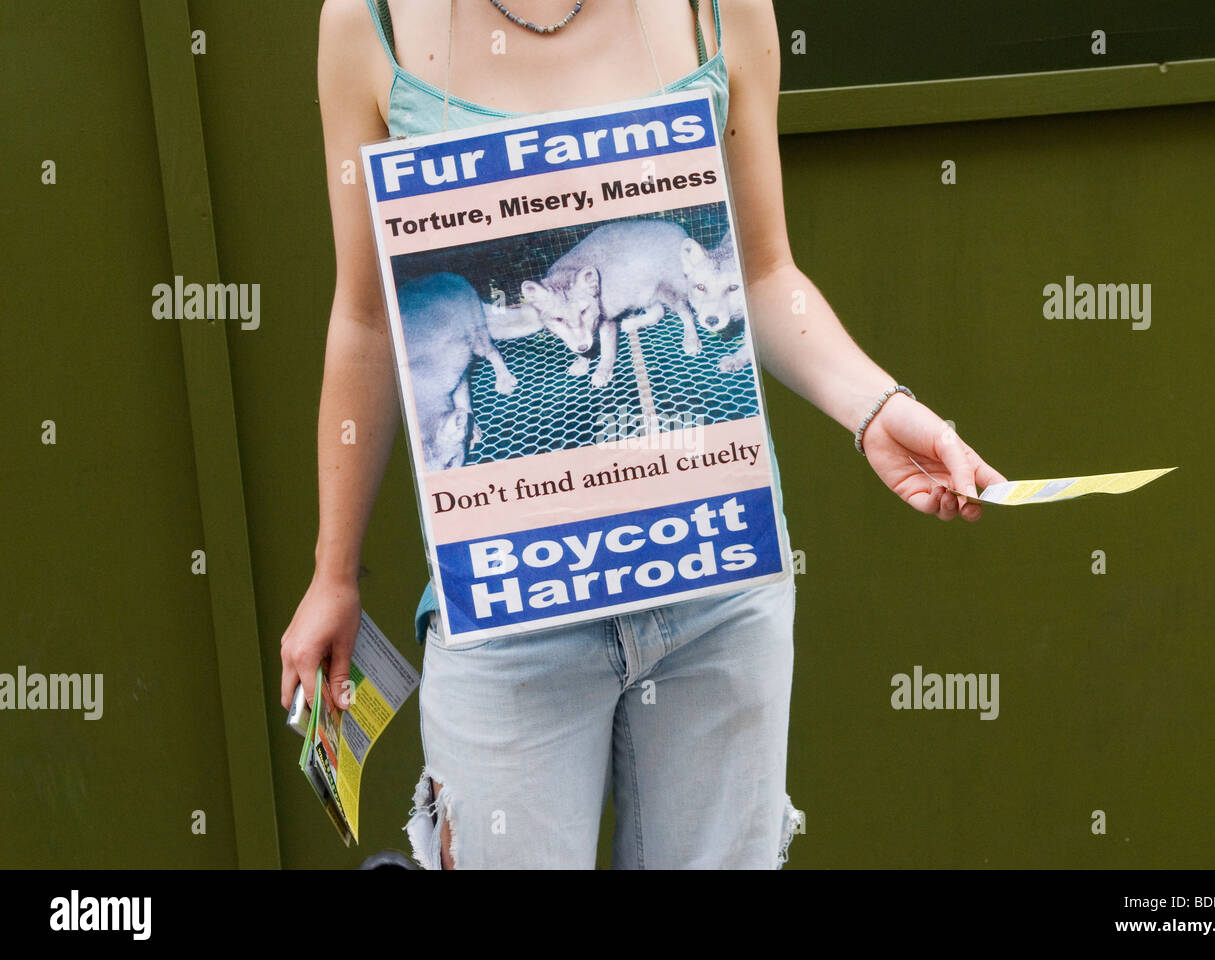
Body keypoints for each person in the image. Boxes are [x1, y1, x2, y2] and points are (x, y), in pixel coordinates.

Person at [280, 0, 1006, 869]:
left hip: (718, 589)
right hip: (509, 609)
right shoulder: (370, 26)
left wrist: (878, 407)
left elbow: (764, 271)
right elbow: (367, 320)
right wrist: (333, 571)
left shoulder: (722, 10)